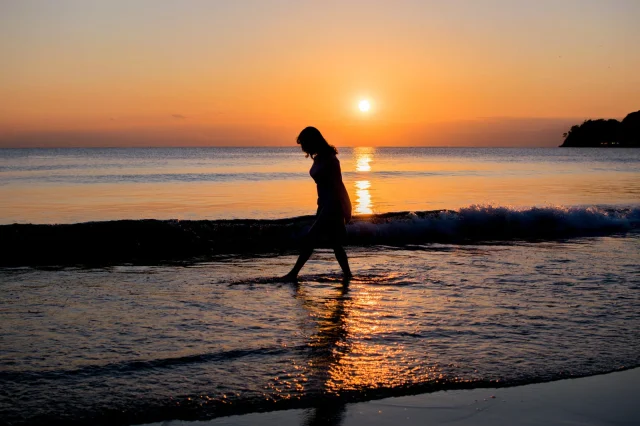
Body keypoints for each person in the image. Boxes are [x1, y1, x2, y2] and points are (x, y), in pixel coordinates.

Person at [283, 127, 352, 280]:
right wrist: (320, 207)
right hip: (324, 205)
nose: (302, 148)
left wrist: (344, 210)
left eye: (303, 143)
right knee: (335, 244)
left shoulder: (331, 160)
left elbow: (337, 187)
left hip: (332, 206)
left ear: (312, 141)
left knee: (310, 239)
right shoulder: (320, 158)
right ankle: (348, 275)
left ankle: (293, 274)